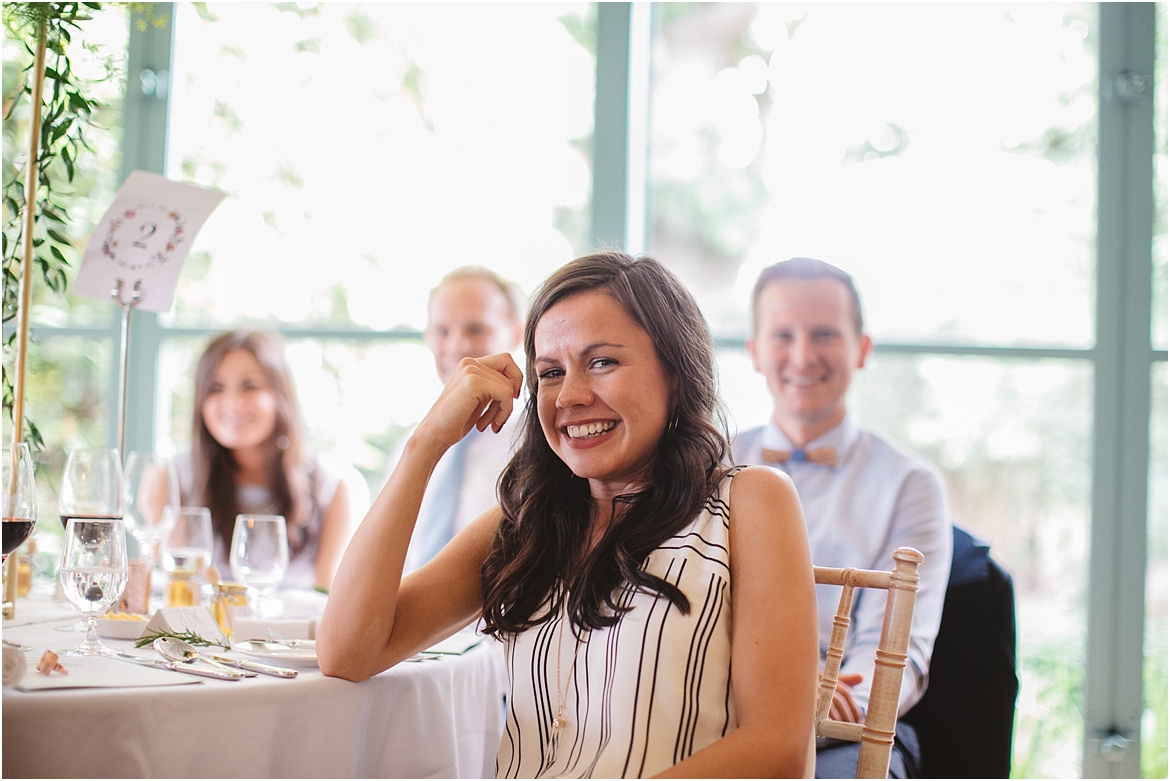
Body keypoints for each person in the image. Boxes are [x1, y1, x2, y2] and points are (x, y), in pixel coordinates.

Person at [319, 252, 818, 778]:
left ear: (675, 374)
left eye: (602, 362)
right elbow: (348, 651)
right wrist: (426, 444)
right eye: (550, 373)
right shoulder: (522, 525)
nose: (571, 396)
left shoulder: (750, 501)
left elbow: (779, 750)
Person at [733, 257, 953, 778]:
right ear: (756, 353)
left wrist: (826, 701)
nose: (803, 355)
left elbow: (898, 652)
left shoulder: (910, 485)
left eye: (825, 334)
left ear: (862, 349)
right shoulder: (704, 465)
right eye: (783, 335)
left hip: (845, 733)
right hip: (714, 712)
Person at [175, 329, 352, 590]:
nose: (233, 402)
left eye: (250, 386)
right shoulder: (175, 478)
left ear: (280, 395)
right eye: (216, 388)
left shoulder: (330, 488)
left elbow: (326, 593)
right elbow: (176, 583)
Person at [397, 266, 524, 571]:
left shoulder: (541, 443)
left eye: (476, 329)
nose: (458, 347)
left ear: (515, 334)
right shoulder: (411, 446)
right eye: (443, 331)